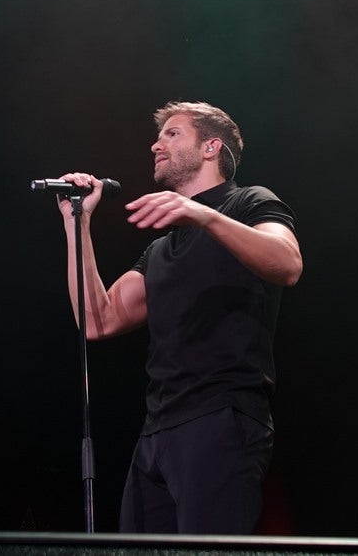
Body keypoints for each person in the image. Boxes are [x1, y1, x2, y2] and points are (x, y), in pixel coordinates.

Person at [58, 100, 302, 534]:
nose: (156, 145)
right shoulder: (161, 250)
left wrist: (204, 215)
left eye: (172, 134)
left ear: (211, 147)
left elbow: (287, 263)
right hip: (157, 431)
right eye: (158, 137)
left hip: (221, 417)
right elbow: (98, 320)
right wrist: (77, 222)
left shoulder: (249, 202)